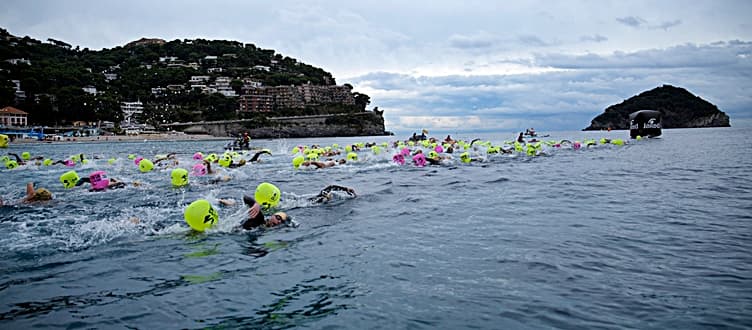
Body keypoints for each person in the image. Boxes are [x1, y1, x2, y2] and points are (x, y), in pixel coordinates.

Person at [235, 184, 357, 229]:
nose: (276, 222)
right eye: (277, 218)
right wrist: (257, 204)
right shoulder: (316, 201)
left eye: (279, 220)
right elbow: (328, 188)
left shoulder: (263, 224)